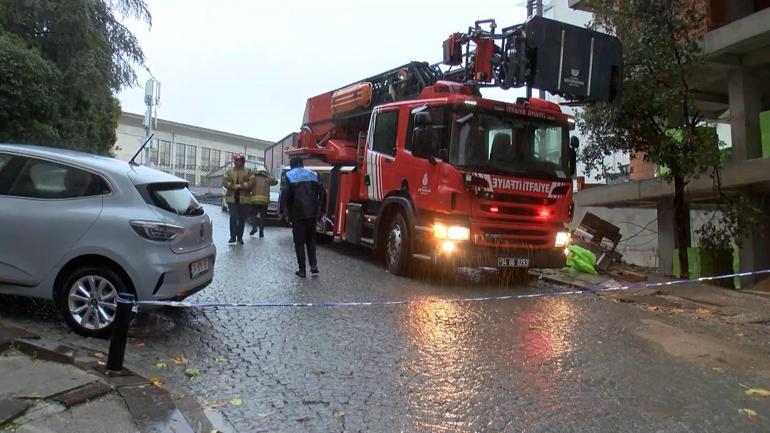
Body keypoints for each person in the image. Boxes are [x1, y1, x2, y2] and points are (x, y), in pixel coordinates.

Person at [280, 157, 325, 278]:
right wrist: (321, 210)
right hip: (312, 214)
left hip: (297, 213)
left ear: (292, 165)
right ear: (302, 164)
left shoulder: (289, 175)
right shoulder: (313, 174)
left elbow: (284, 194)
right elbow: (323, 192)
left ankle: (302, 270)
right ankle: (314, 266)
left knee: (299, 242)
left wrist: (282, 211)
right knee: (311, 241)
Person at [222, 153, 253, 244]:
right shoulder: (229, 171)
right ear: (235, 161)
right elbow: (225, 181)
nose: (238, 162)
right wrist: (232, 186)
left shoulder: (248, 171)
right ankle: (232, 237)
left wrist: (242, 186)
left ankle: (240, 237)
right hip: (232, 199)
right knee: (233, 217)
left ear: (243, 161)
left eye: (240, 161)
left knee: (242, 219)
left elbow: (252, 182)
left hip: (244, 199)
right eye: (237, 161)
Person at [247, 165, 277, 238]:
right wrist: (269, 175)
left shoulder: (253, 177)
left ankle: (254, 228)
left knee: (253, 215)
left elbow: (248, 186)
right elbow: (275, 182)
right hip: (264, 201)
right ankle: (261, 233)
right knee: (262, 217)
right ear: (264, 171)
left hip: (254, 200)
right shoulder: (267, 178)